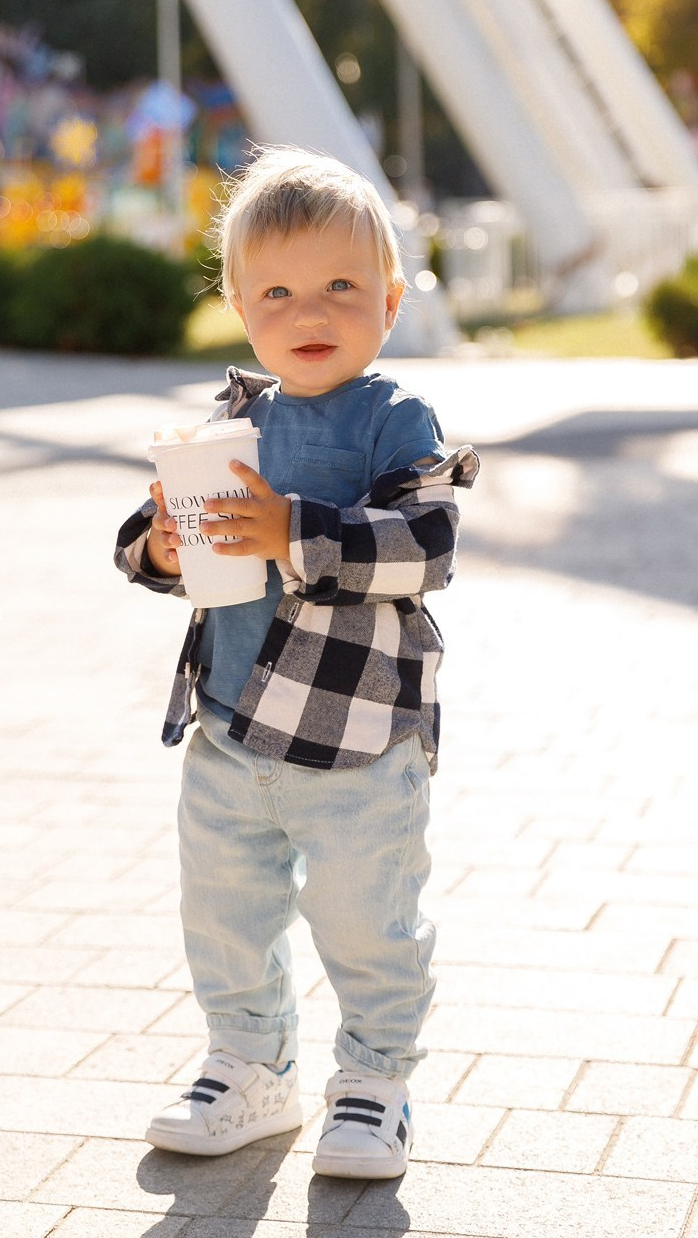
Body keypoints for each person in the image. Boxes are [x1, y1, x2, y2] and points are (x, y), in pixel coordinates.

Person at [115, 147, 478, 1179]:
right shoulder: (231, 419)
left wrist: (292, 531)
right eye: (275, 290)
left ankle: (373, 1081)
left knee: (367, 917)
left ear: (389, 301)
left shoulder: (392, 418)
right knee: (221, 909)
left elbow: (427, 544)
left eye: (339, 287)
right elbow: (150, 535)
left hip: (356, 736)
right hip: (230, 723)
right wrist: (160, 545)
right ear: (237, 302)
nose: (306, 310)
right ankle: (248, 1061)